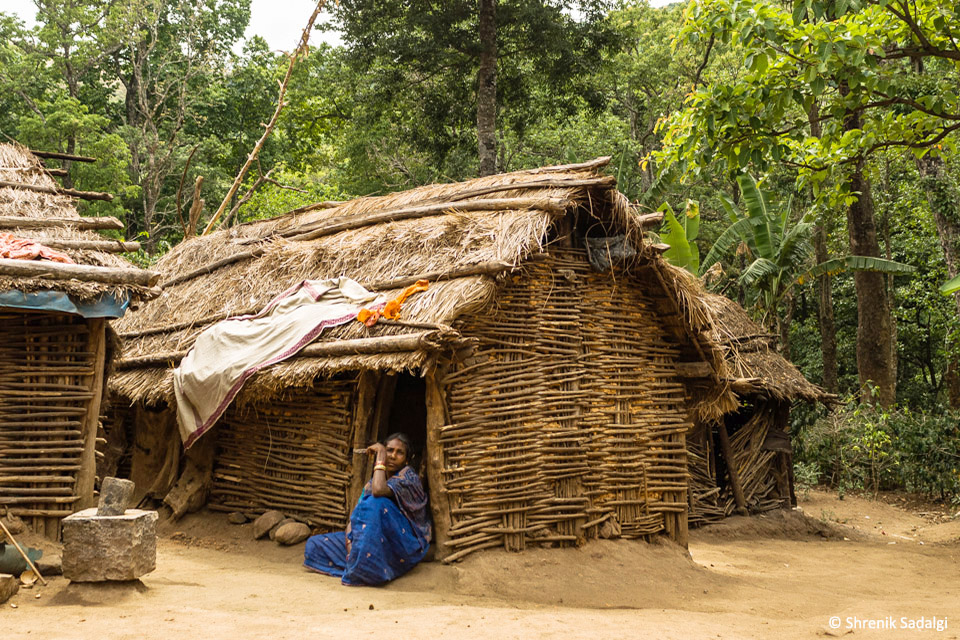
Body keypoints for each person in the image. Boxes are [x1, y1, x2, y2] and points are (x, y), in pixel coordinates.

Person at [303, 432, 431, 586]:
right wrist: (351, 549)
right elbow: (354, 519)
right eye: (389, 450)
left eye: (399, 453)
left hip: (401, 544)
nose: (392, 455)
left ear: (407, 460)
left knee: (376, 504)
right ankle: (360, 564)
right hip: (368, 541)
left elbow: (378, 490)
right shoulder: (372, 483)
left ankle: (366, 568)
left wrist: (380, 455)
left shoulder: (408, 478)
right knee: (314, 545)